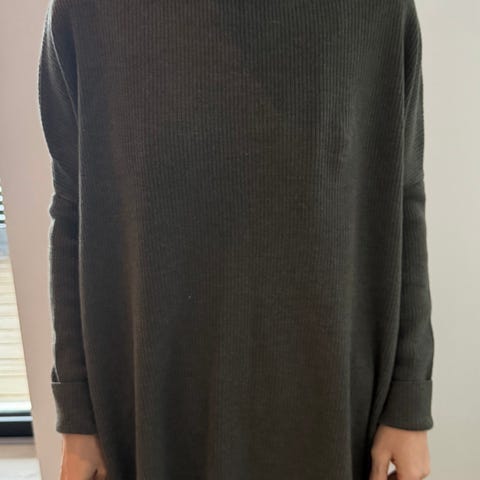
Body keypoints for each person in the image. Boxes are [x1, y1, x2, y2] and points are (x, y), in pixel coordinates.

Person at [37, 0, 434, 479]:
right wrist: (77, 414)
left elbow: (402, 198)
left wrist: (409, 399)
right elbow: (72, 210)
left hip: (330, 415)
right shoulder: (85, 13)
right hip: (148, 417)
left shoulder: (379, 12)